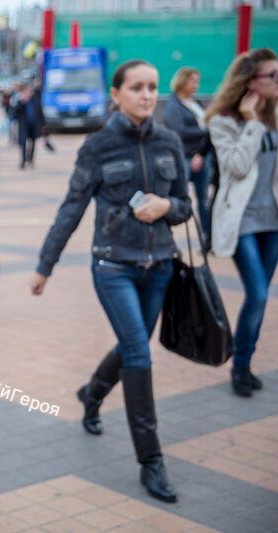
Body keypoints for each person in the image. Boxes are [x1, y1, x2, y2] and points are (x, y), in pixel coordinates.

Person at [30, 60, 191, 503]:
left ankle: (92, 393)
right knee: (139, 351)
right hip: (112, 265)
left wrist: (166, 207)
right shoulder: (98, 146)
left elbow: (185, 205)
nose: (145, 94)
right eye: (136, 87)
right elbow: (72, 207)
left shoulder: (169, 141)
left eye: (152, 87)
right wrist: (45, 265)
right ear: (116, 94)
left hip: (159, 265)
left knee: (130, 345)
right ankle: (151, 462)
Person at [206, 48, 278, 398]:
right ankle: (240, 366)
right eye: (273, 75)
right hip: (243, 220)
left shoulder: (277, 113)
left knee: (260, 299)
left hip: (273, 220)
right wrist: (251, 124)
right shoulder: (224, 121)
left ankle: (245, 364)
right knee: (258, 293)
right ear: (252, 81)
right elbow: (234, 166)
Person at [163, 67, 213, 241]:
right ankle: (169, 236)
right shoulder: (173, 104)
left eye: (197, 81)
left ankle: (208, 236)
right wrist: (206, 131)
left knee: (204, 199)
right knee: (179, 196)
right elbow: (180, 131)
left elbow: (209, 126)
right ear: (182, 81)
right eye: (192, 80)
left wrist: (201, 151)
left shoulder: (196, 103)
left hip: (201, 156)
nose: (196, 85)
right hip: (183, 156)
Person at [12, 83, 45, 169]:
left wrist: (43, 125)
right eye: (26, 92)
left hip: (34, 126)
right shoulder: (20, 101)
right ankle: (23, 161)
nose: (27, 93)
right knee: (23, 143)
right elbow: (14, 114)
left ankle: (30, 159)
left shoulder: (35, 100)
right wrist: (22, 102)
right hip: (24, 126)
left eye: (29, 91)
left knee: (33, 143)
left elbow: (40, 113)